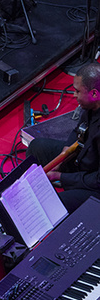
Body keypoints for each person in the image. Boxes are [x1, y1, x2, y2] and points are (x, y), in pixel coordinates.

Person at [27, 63, 100, 213]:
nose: (74, 95)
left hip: (94, 183)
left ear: (94, 94)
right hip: (83, 160)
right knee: (36, 147)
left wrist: (60, 176)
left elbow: (97, 180)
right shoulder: (92, 105)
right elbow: (78, 130)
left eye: (77, 91)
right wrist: (64, 154)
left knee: (58, 205)